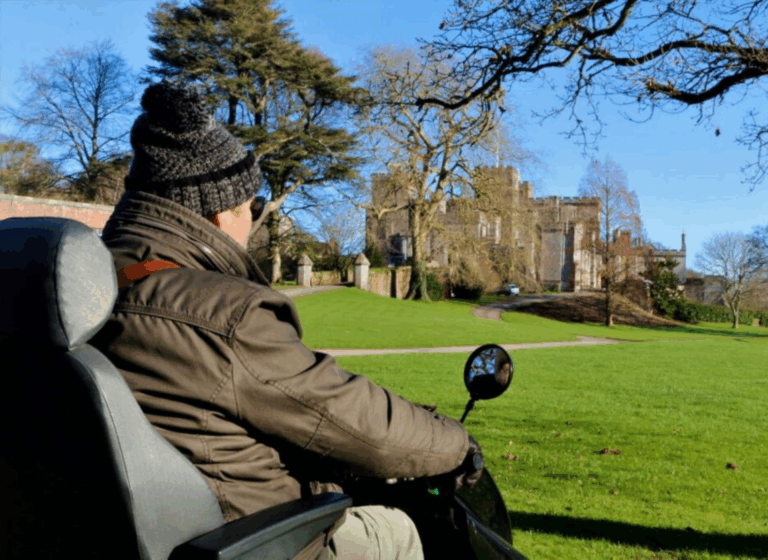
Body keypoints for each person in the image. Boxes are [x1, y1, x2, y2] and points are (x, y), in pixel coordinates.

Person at [90, 81, 482, 560]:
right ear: (219, 212)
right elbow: (353, 421)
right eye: (253, 205)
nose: (255, 220)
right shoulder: (219, 313)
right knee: (396, 530)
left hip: (134, 532)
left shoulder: (88, 285)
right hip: (254, 539)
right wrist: (455, 444)